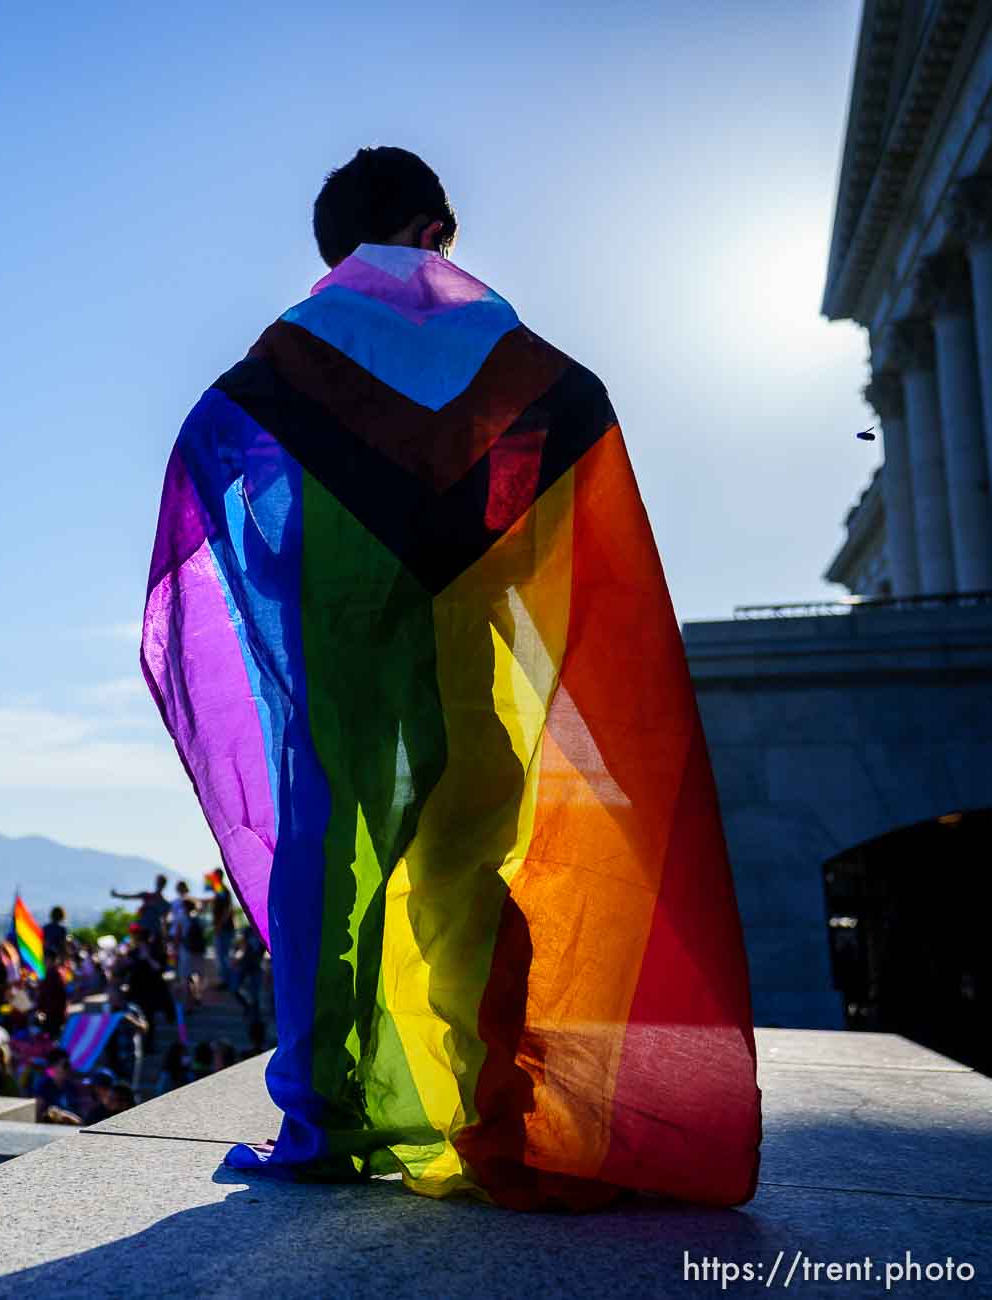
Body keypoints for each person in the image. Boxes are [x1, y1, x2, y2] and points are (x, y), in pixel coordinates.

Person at [138, 146, 760, 1208]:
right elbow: (572, 435)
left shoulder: (292, 352)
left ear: (336, 252)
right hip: (471, 635)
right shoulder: (510, 357)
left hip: (341, 636)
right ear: (435, 231)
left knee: (332, 857)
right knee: (472, 855)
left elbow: (218, 445)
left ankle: (331, 1112)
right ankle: (488, 1112)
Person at [30, 1048, 82, 1126]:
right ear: (53, 1067)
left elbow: (79, 1114)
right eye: (65, 1065)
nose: (68, 1068)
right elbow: (36, 1116)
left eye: (68, 1065)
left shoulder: (70, 1086)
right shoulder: (43, 1087)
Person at [110, 876, 167, 945]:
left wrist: (164, 935)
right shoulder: (147, 895)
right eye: (159, 882)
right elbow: (130, 896)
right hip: (143, 930)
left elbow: (164, 921)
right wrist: (117, 895)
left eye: (161, 883)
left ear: (163, 885)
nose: (159, 885)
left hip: (155, 931)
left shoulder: (164, 903)